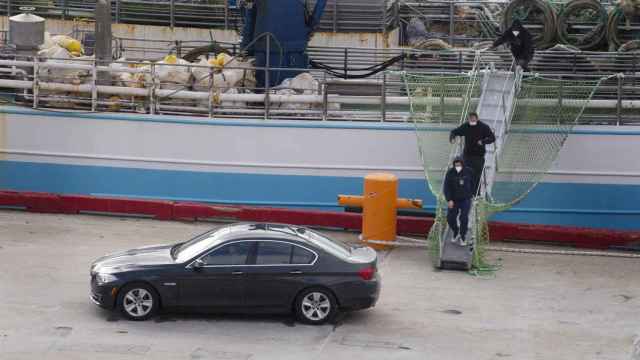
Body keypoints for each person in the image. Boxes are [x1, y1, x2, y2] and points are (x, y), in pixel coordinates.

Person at [449, 112, 496, 195]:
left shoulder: (483, 127)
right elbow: (454, 132)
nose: (472, 122)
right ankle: (465, 193)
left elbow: (492, 138)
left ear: (477, 119)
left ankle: (476, 194)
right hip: (467, 156)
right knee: (465, 175)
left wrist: (483, 141)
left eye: (473, 120)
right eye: (470, 120)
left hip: (478, 157)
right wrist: (452, 138)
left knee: (476, 176)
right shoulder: (466, 126)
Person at [444, 157, 474, 245]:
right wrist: (449, 200)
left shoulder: (469, 172)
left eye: (459, 165)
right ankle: (456, 231)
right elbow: (446, 187)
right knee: (450, 218)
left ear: (463, 164)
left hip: (465, 199)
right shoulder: (450, 173)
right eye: (456, 165)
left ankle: (462, 236)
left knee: (464, 217)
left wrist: (472, 194)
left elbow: (473, 183)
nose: (458, 167)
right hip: (454, 200)